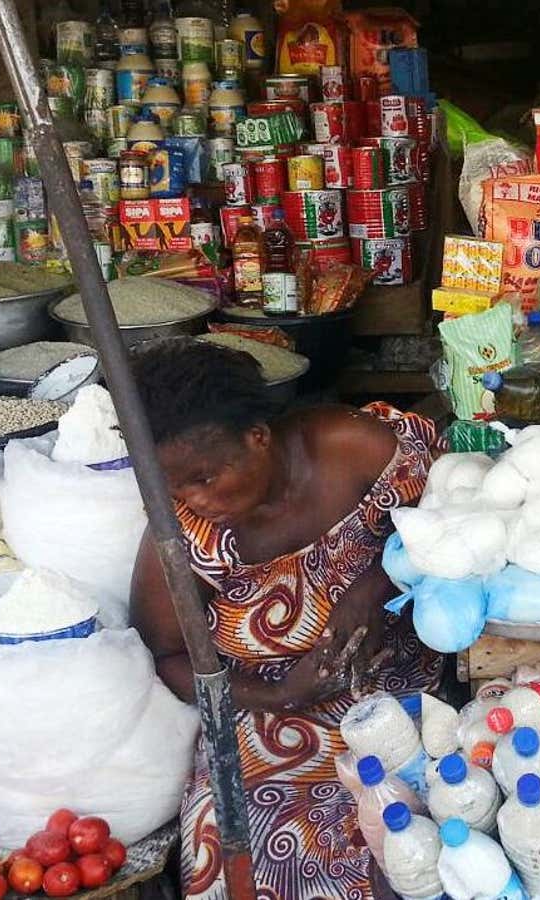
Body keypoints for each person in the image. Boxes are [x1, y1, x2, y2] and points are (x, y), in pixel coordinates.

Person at [128, 338, 441, 900]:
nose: (191, 499)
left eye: (204, 477)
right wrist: (273, 697)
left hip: (399, 694)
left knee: (415, 846)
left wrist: (377, 582)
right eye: (172, 486)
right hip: (266, 721)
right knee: (235, 860)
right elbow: (169, 657)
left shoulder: (355, 449)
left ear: (258, 437)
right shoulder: (181, 539)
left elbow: (457, 517)